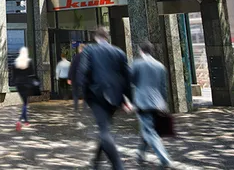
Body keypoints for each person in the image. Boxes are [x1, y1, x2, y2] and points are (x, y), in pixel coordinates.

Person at [79, 27, 131, 170]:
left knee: (104, 131)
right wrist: (127, 100)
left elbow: (84, 72)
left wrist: (85, 94)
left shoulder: (89, 50)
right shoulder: (119, 52)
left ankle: (118, 166)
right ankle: (95, 163)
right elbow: (127, 77)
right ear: (107, 37)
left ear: (96, 37)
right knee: (105, 127)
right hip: (115, 97)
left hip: (96, 95)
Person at [131, 41, 172, 168]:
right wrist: (164, 103)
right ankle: (140, 153)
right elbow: (163, 87)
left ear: (141, 50)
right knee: (148, 127)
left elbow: (131, 81)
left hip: (143, 103)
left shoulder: (137, 63)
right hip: (157, 103)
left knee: (149, 130)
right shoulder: (160, 66)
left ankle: (164, 157)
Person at [12, 46, 36, 130]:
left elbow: (14, 75)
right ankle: (20, 120)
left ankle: (26, 121)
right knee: (25, 103)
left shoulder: (16, 62)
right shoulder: (29, 61)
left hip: (18, 84)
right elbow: (32, 73)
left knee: (24, 102)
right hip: (26, 84)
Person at [68, 43, 86, 112]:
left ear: (79, 49)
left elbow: (72, 68)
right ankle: (85, 107)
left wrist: (69, 78)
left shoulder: (76, 57)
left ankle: (76, 107)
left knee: (75, 93)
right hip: (85, 78)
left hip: (75, 78)